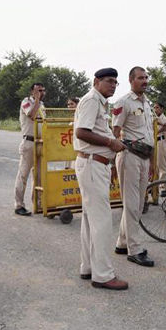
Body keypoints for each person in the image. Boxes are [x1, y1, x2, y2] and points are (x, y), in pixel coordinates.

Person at [73, 68, 128, 290]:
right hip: (92, 163)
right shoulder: (91, 100)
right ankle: (103, 275)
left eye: (115, 82)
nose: (113, 85)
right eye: (108, 81)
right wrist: (110, 143)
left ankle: (88, 267)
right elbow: (81, 132)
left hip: (96, 164)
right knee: (102, 221)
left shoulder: (99, 102)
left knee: (90, 220)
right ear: (96, 81)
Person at [111, 67, 155, 267]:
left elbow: (149, 133)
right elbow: (115, 131)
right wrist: (112, 161)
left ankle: (122, 242)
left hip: (145, 157)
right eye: (140, 78)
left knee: (137, 203)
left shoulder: (147, 104)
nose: (144, 81)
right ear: (131, 80)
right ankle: (134, 249)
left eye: (146, 78)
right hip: (129, 155)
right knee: (132, 203)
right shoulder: (123, 102)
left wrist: (152, 161)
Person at [13, 83, 46, 216]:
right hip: (29, 142)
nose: (41, 92)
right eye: (38, 90)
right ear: (32, 91)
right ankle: (18, 204)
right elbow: (32, 115)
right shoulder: (26, 102)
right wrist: (37, 100)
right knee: (23, 175)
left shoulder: (42, 105)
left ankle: (37, 203)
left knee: (38, 176)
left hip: (40, 142)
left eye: (43, 90)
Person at [154, 102, 166, 192]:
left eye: (157, 107)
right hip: (155, 142)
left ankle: (162, 187)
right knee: (154, 165)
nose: (155, 109)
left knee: (162, 165)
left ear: (162, 108)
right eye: (154, 107)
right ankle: (154, 188)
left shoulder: (164, 119)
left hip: (161, 141)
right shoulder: (154, 119)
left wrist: (165, 143)